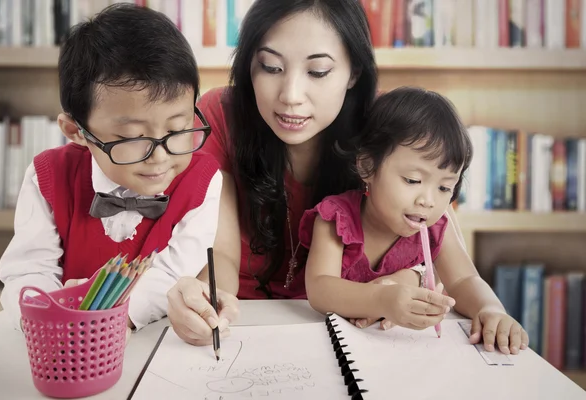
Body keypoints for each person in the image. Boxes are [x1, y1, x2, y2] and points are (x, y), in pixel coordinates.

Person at [168, 0, 466, 345]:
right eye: (270, 67)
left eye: (318, 72)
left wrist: (411, 277)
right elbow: (221, 253)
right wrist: (206, 301)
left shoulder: (387, 126)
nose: (291, 96)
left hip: (350, 328)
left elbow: (435, 223)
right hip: (245, 322)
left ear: (354, 71)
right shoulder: (220, 115)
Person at [0, 4, 235, 335]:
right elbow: (28, 270)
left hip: (150, 340)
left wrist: (103, 321)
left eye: (177, 129)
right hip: (60, 344)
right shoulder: (47, 177)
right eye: (131, 138)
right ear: (76, 131)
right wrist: (53, 313)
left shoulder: (203, 180)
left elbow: (170, 274)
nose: (160, 156)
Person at [300, 87, 529, 355]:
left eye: (445, 188)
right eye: (413, 180)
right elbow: (319, 289)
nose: (428, 200)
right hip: (328, 350)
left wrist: (489, 308)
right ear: (367, 167)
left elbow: (464, 279)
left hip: (402, 354)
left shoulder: (435, 225)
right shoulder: (336, 217)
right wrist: (382, 299)